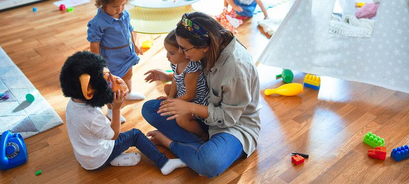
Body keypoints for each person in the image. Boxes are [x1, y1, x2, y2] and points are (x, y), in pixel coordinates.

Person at [142, 12, 261, 178]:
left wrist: (189, 107)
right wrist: (169, 76)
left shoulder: (235, 68)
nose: (182, 54)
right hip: (204, 114)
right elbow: (194, 76)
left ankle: (171, 143)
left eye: (184, 49)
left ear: (203, 46)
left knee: (208, 163)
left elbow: (229, 117)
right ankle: (197, 148)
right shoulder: (208, 47)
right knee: (149, 109)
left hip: (234, 126)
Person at [59, 51, 187, 174]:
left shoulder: (72, 104)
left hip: (85, 158)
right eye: (108, 80)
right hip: (98, 157)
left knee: (113, 141)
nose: (116, 80)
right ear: (88, 91)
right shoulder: (92, 117)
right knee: (135, 135)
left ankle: (115, 158)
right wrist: (116, 109)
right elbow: (113, 135)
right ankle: (164, 163)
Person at [87, 0, 144, 123]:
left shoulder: (124, 14)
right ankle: (112, 109)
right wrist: (98, 64)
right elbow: (94, 43)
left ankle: (129, 92)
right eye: (115, 6)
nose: (120, 9)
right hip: (111, 59)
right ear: (102, 3)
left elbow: (131, 29)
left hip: (127, 53)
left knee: (128, 75)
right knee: (113, 85)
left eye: (123, 4)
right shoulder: (98, 22)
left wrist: (136, 44)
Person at [146, 29, 209, 141]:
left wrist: (173, 102)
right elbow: (175, 78)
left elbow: (190, 96)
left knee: (181, 119)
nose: (167, 56)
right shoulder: (176, 63)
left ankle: (202, 135)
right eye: (167, 52)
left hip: (196, 103)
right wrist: (170, 96)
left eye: (171, 53)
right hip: (184, 95)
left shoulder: (191, 70)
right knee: (167, 88)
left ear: (184, 52)